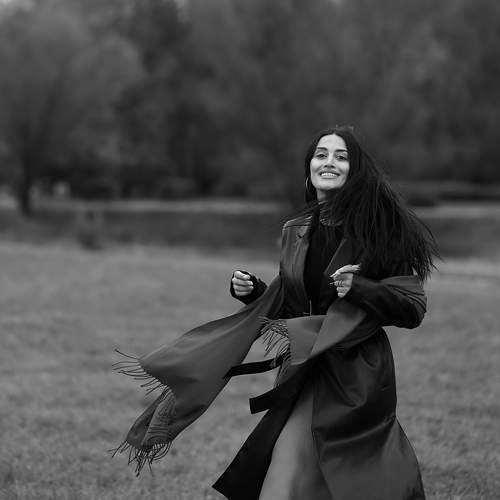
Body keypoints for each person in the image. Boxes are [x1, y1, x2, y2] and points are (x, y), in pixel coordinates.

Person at [113, 126, 438, 500]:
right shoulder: (296, 230)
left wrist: (361, 288)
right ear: (309, 169)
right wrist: (256, 294)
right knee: (292, 477)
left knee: (336, 475)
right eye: (321, 155)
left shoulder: (379, 232)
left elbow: (412, 309)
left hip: (355, 375)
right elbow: (295, 306)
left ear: (356, 171)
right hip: (301, 369)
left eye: (341, 156)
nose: (329, 162)